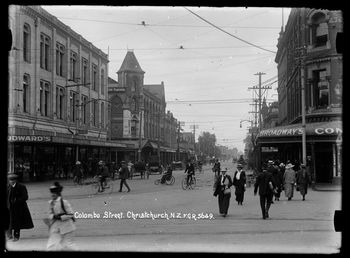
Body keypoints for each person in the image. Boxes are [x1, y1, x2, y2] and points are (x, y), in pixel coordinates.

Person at [46, 182, 77, 251]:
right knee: (51, 245)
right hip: (56, 227)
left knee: (68, 245)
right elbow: (50, 213)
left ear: (58, 193)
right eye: (52, 193)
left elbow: (71, 214)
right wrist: (53, 216)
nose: (52, 195)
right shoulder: (51, 202)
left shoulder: (64, 202)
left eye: (54, 193)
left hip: (67, 227)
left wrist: (61, 217)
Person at [6, 173, 34, 241]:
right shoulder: (8, 186)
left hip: (19, 208)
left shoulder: (21, 186)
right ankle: (9, 235)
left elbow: (25, 197)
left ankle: (16, 236)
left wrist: (17, 200)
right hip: (9, 207)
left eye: (13, 180)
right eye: (10, 180)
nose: (11, 181)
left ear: (16, 180)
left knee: (17, 222)